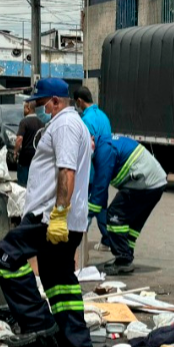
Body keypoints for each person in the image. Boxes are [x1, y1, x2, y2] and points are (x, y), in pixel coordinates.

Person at [0, 78, 95, 347]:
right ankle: (76, 343)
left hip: (49, 217)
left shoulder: (64, 124)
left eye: (39, 103)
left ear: (54, 101)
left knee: (6, 258)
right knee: (58, 277)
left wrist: (59, 214)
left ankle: (40, 327)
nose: (35, 108)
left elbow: (67, 171)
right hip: (63, 219)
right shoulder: (76, 126)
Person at [88, 135, 168, 275]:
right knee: (131, 223)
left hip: (145, 181)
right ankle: (126, 255)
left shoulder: (104, 152)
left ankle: (123, 260)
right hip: (155, 182)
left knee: (115, 215)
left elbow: (100, 188)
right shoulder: (105, 144)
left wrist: (86, 216)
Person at [74, 86, 115, 251]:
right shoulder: (104, 117)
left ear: (79, 101)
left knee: (88, 205)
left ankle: (78, 240)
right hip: (105, 168)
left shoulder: (86, 120)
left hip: (91, 171)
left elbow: (86, 148)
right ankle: (107, 239)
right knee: (101, 204)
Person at [15, 101, 44, 186]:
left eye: (24, 108)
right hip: (38, 156)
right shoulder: (42, 122)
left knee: (23, 184)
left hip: (25, 157)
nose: (23, 110)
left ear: (28, 108)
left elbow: (19, 138)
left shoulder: (24, 121)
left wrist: (15, 151)